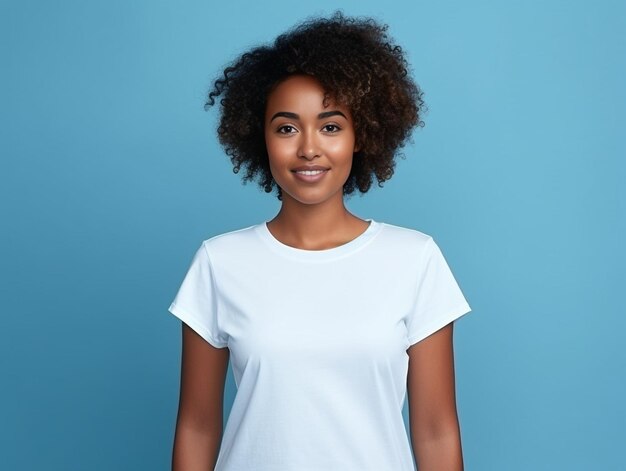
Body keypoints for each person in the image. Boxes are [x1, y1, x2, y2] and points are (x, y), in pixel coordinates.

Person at [168, 11, 472, 471]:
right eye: (286, 128)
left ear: (361, 136)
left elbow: (435, 430)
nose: (309, 148)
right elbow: (196, 426)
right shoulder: (220, 262)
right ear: (261, 138)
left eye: (331, 126)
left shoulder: (414, 260)